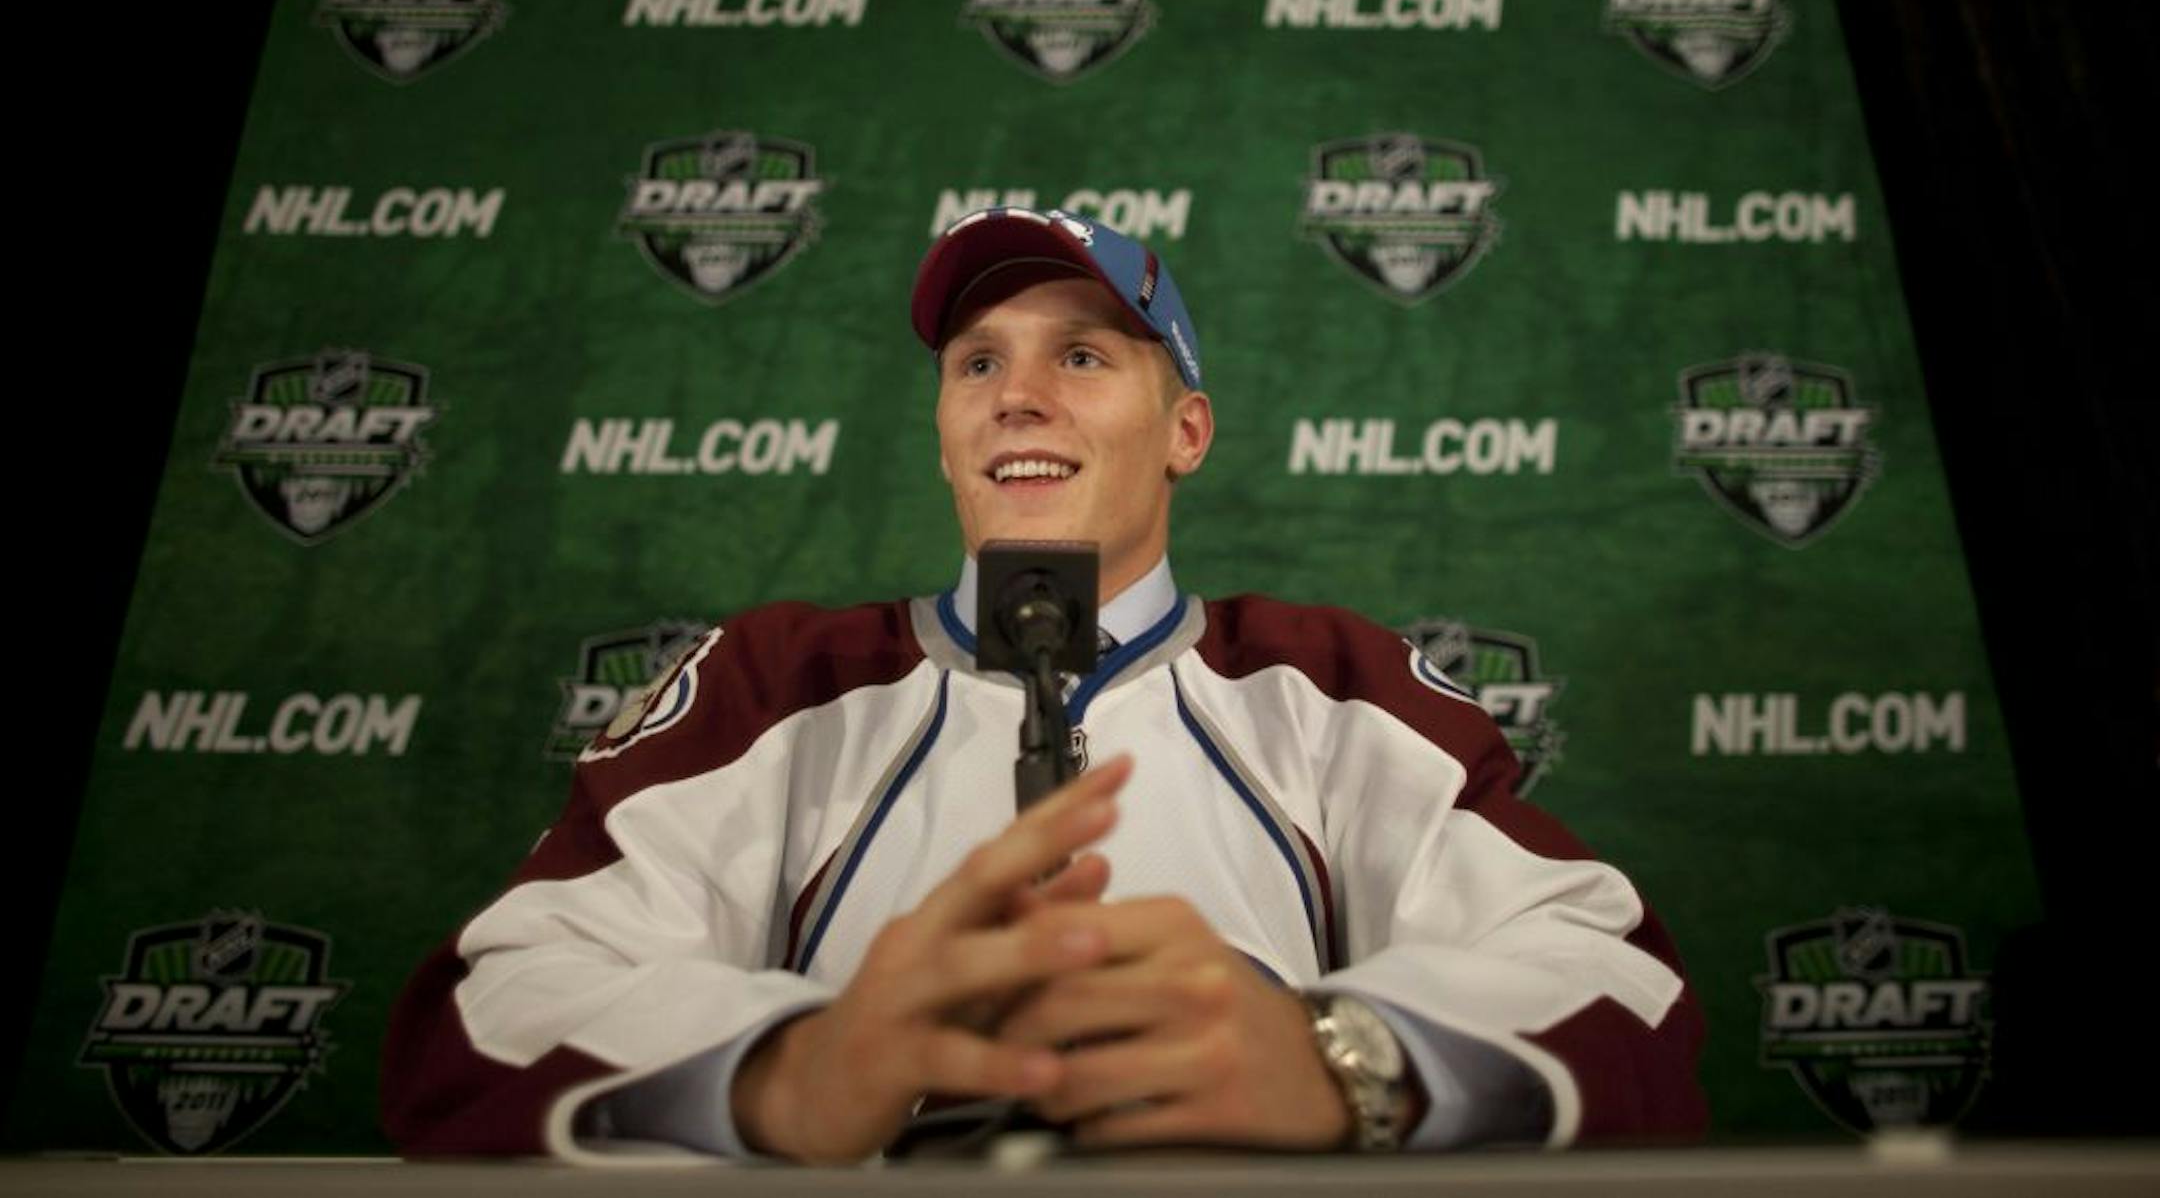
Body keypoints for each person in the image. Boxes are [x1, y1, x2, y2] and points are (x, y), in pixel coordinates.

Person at [381, 207, 1706, 1162]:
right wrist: (789, 1069)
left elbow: (1614, 983)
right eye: (977, 363)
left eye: (1081, 356)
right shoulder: (773, 686)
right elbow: (481, 1017)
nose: (1019, 396)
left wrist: (1338, 1056)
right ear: (946, 431)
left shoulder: (1337, 685)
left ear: (1186, 426)